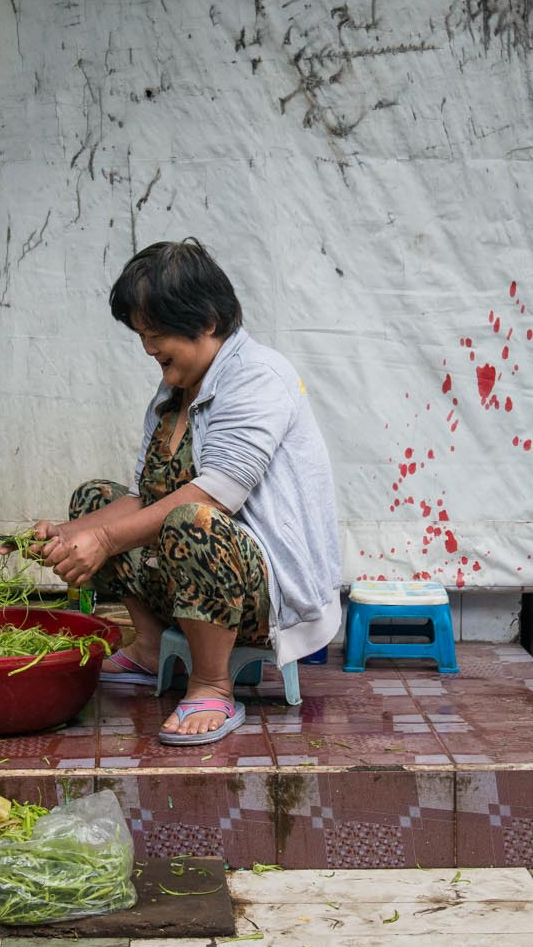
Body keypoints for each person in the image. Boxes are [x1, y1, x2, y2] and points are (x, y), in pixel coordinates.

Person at [33, 240, 342, 745]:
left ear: (207, 321)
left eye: (155, 333)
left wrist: (106, 541)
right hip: (192, 573)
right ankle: (153, 647)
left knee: (193, 520)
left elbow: (216, 496)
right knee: (94, 500)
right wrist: (68, 533)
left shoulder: (259, 376)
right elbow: (144, 495)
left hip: (260, 593)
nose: (147, 347)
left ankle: (212, 682)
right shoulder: (175, 391)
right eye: (141, 334)